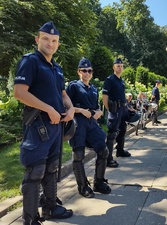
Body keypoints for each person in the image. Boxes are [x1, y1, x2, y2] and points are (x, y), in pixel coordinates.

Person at [13, 21, 74, 225]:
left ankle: (50, 208)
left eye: (54, 40)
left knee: (51, 169)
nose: (50, 43)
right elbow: (19, 92)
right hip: (38, 127)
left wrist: (71, 107)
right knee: (35, 173)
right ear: (37, 39)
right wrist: (48, 108)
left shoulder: (56, 68)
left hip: (55, 128)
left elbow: (63, 95)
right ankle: (30, 220)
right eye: (46, 39)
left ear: (58, 44)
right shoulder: (30, 61)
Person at [66, 58, 111, 198]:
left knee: (103, 150)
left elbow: (96, 106)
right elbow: (66, 105)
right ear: (79, 72)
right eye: (84, 70)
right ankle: (83, 186)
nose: (87, 73)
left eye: (89, 71)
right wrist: (80, 111)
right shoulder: (73, 86)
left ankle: (98, 182)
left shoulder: (93, 88)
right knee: (79, 155)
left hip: (91, 122)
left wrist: (99, 112)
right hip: (78, 122)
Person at [102, 58, 131, 168]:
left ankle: (120, 151)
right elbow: (104, 97)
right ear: (113, 67)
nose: (120, 67)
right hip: (115, 109)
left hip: (123, 109)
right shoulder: (110, 79)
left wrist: (128, 107)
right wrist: (109, 109)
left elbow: (122, 95)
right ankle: (108, 159)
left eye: (121, 66)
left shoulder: (121, 80)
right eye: (118, 66)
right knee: (112, 133)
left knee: (122, 131)